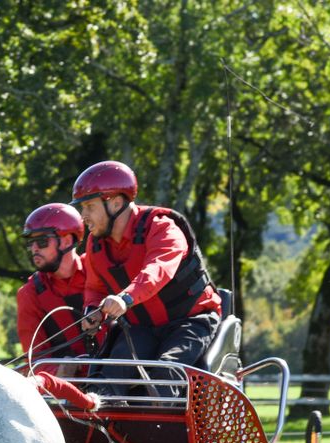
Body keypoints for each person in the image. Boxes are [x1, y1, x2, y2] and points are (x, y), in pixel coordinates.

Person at [72, 160, 221, 397]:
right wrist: (93, 310)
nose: (84, 216)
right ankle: (109, 432)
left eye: (89, 206)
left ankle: (169, 433)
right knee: (108, 378)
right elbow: (94, 287)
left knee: (165, 374)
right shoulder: (95, 244)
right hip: (142, 328)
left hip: (190, 322)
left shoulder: (163, 228)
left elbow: (158, 270)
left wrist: (125, 298)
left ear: (116, 203)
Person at [16, 202, 100, 410]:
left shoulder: (99, 268)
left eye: (42, 241)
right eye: (31, 243)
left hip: (122, 379)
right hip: (71, 394)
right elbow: (35, 359)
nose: (34, 249)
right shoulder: (30, 293)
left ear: (67, 240)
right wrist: (60, 369)